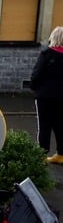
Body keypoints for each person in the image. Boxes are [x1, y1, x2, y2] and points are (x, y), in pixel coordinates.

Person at [30, 26, 63, 163]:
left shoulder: (46, 55)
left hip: (45, 97)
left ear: (53, 37)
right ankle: (61, 155)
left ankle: (42, 156)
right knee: (60, 126)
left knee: (44, 126)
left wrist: (34, 88)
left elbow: (36, 75)